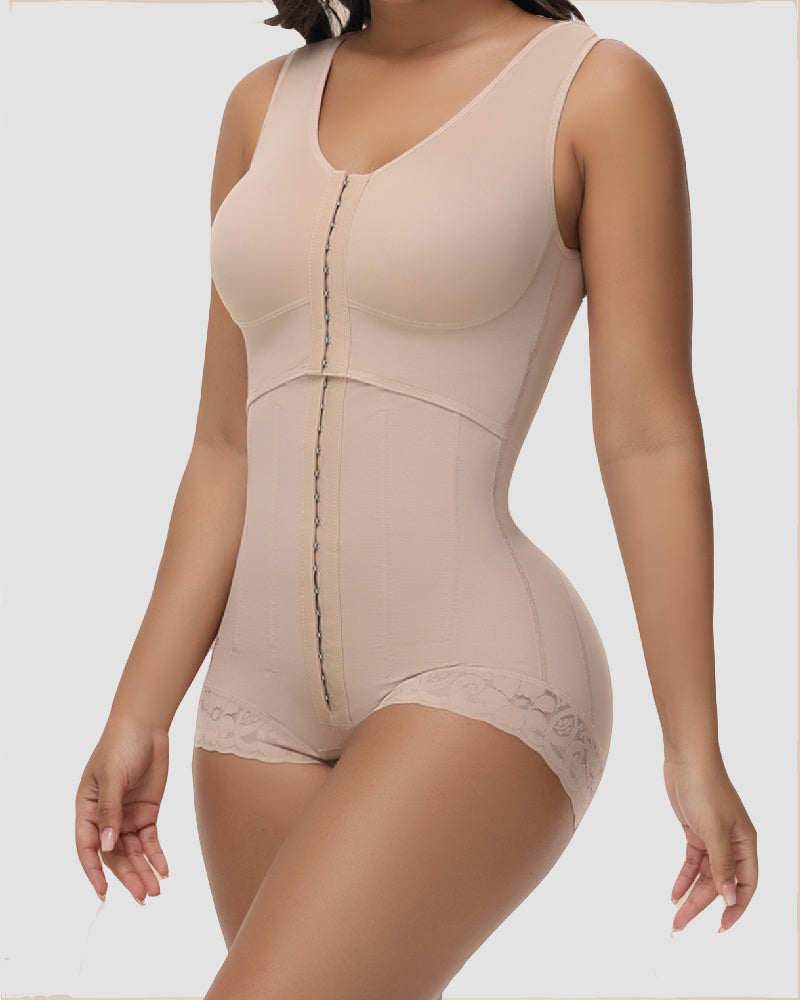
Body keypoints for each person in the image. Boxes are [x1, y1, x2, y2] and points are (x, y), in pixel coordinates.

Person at [75, 0, 759, 995]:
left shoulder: (594, 90)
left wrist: (692, 745)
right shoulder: (259, 107)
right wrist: (138, 707)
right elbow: (224, 445)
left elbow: (646, 437)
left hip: (475, 670)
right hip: (251, 705)